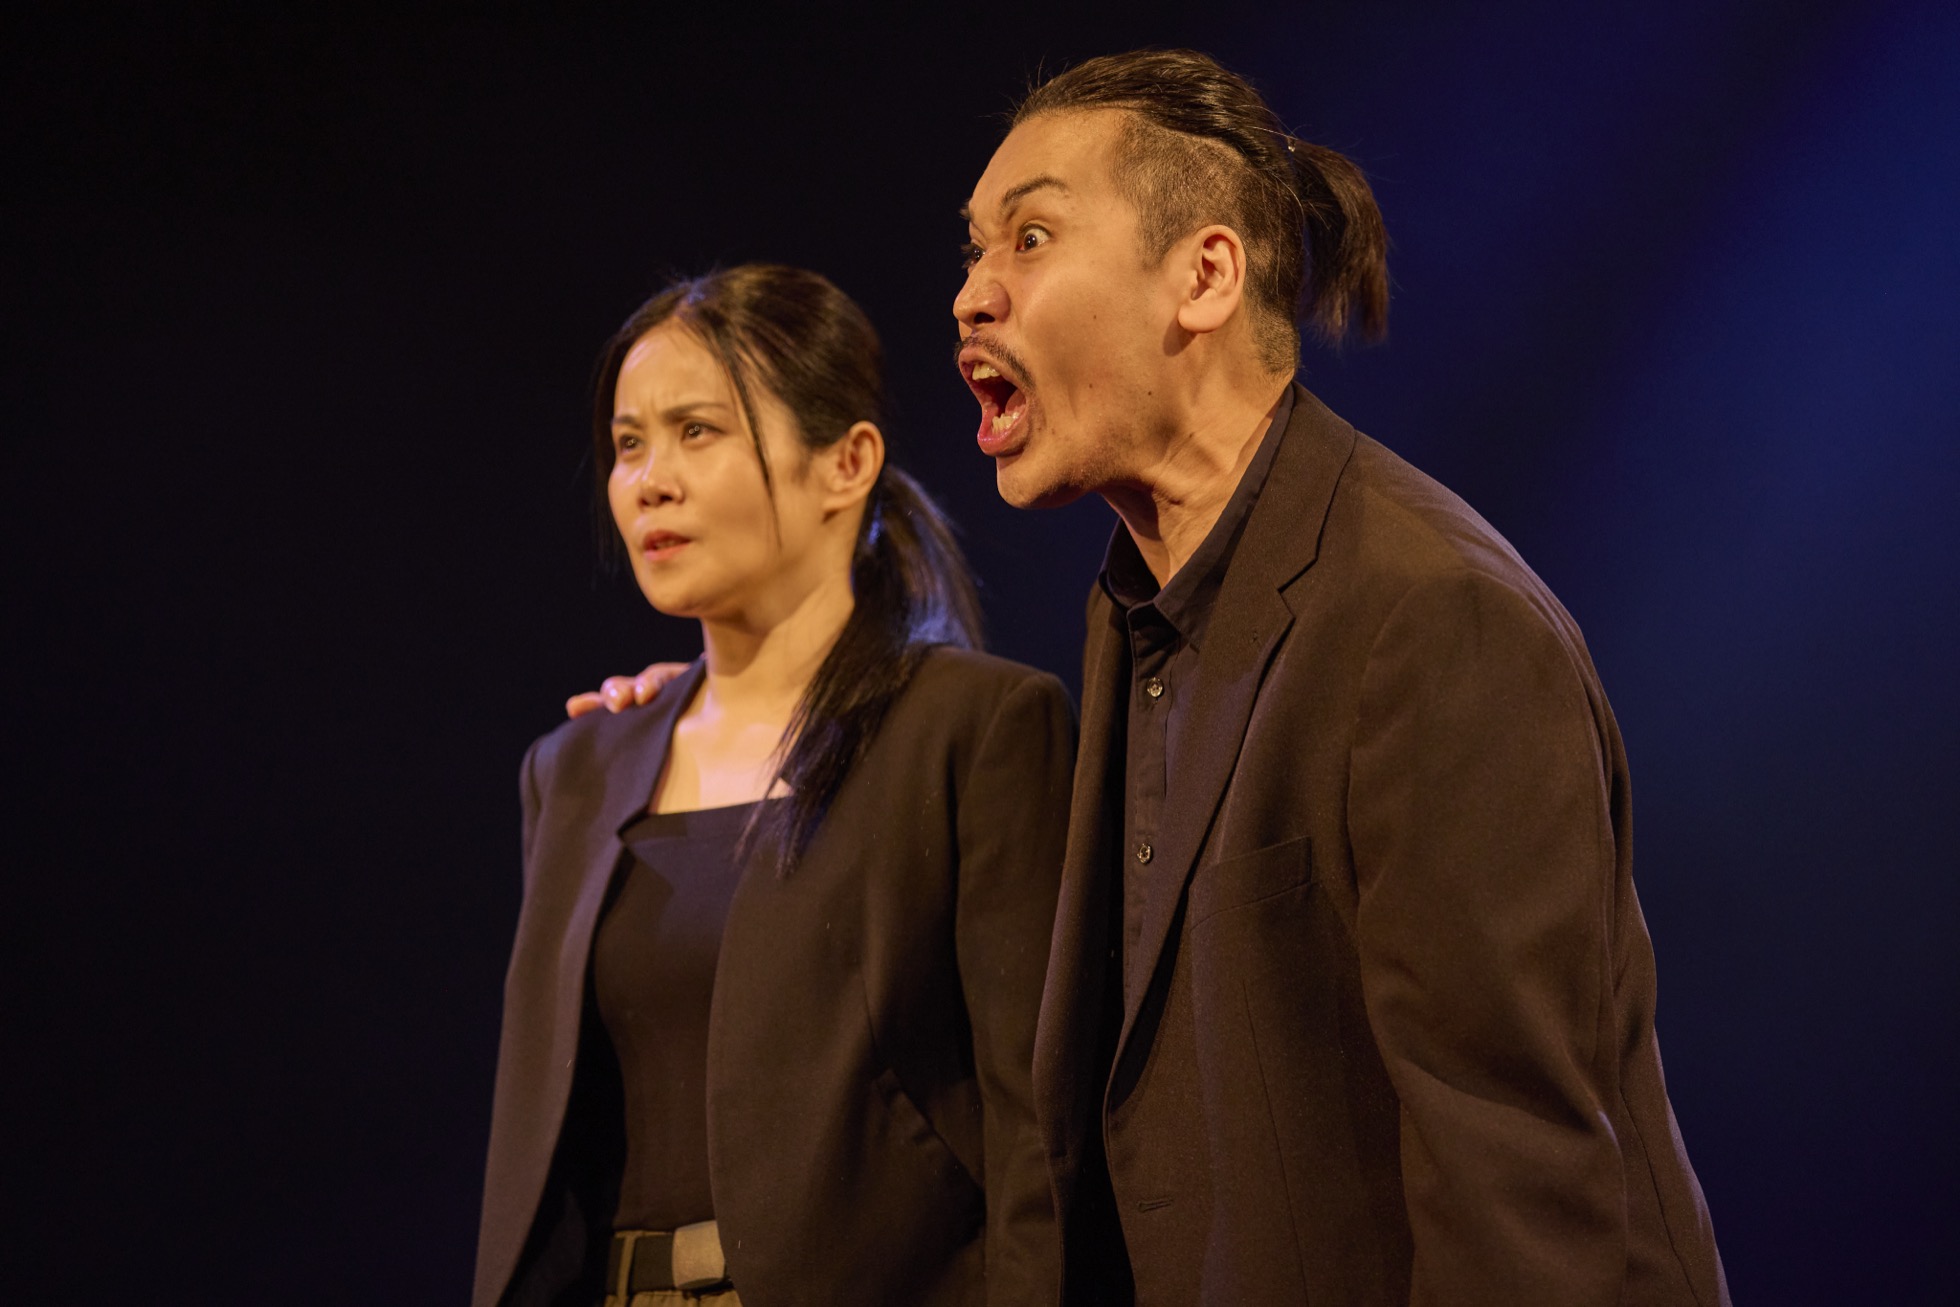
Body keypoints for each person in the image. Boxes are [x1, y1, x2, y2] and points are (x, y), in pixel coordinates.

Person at [584, 49, 1729, 1306]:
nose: (970, 295)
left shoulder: (1427, 615)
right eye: (972, 249)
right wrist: (715, 713)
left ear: (1204, 276)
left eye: (1028, 238)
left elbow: (1519, 1183)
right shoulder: (1138, 613)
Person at [475, 264, 1071, 1307]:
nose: (649, 480)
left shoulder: (972, 729)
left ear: (845, 462)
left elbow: (1038, 1138)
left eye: (697, 431)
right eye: (628, 443)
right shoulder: (575, 770)